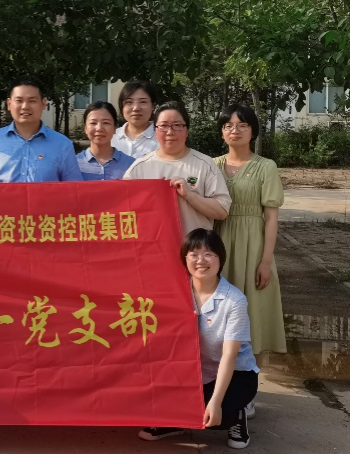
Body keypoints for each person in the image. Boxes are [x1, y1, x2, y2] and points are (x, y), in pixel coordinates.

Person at [138, 228, 258, 449]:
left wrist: (216, 402)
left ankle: (235, 416)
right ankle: (173, 423)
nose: (201, 260)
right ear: (185, 259)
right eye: (193, 254)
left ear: (220, 258)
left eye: (209, 254)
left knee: (212, 413)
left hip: (234, 374)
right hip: (190, 371)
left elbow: (229, 356)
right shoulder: (175, 292)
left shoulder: (234, 300)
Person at [214, 104, 286, 418]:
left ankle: (249, 390)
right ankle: (219, 386)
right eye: (228, 125)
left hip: (253, 245)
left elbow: (271, 218)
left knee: (253, 316)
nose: (235, 130)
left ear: (252, 130)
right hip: (219, 245)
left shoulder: (265, 167)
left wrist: (266, 260)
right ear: (222, 132)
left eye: (242, 124)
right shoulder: (211, 165)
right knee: (220, 318)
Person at [124, 101, 231, 235]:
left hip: (195, 247)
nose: (170, 132)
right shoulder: (140, 168)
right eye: (163, 126)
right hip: (154, 245)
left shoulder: (205, 164)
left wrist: (190, 195)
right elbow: (124, 210)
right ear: (155, 131)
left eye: (177, 125)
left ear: (187, 131)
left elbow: (222, 211)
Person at [0, 76, 84, 182]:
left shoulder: (62, 144)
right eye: (19, 101)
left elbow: (73, 188)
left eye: (32, 101)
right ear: (9, 104)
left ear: (43, 104)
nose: (25, 107)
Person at [76, 101, 135, 180]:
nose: (99, 128)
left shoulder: (131, 164)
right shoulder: (74, 164)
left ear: (115, 128)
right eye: (93, 123)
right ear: (85, 128)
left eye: (106, 123)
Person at [111, 80, 161, 159]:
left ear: (153, 106)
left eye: (143, 102)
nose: (136, 108)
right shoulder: (111, 137)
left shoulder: (163, 137)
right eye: (129, 102)